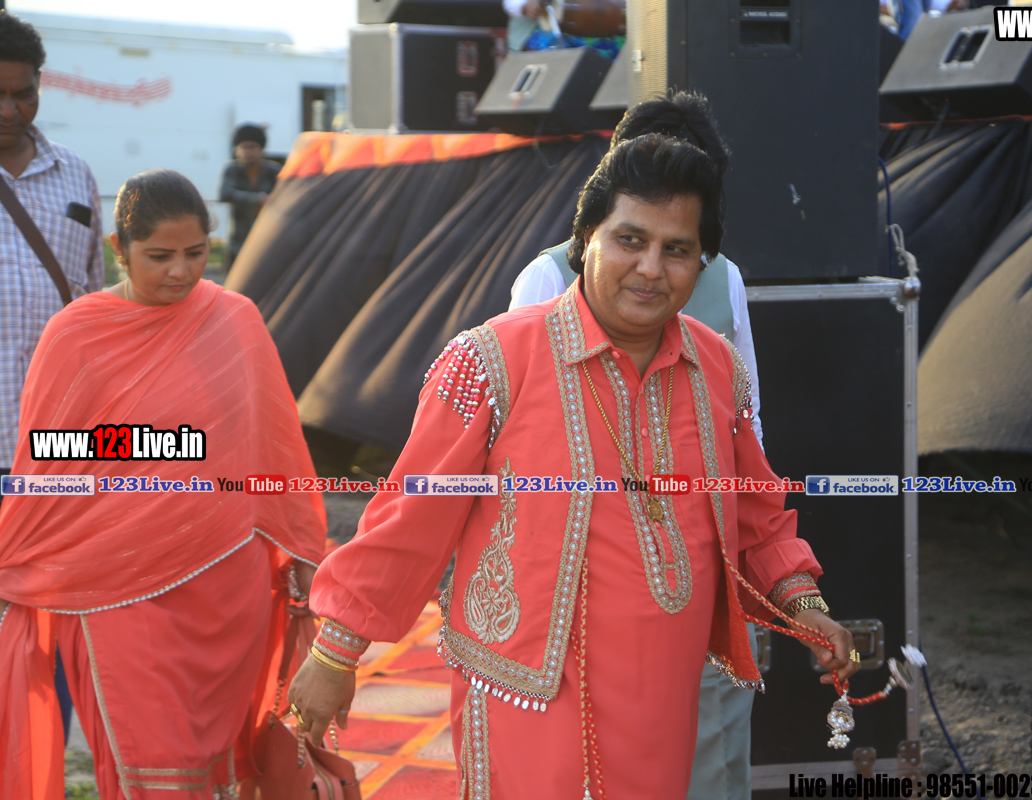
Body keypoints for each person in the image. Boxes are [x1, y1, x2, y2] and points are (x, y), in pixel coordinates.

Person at [289, 132, 858, 799]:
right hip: (528, 693)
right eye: (630, 240)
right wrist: (335, 653)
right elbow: (410, 519)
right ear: (585, 239)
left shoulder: (716, 369)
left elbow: (754, 512)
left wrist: (802, 603)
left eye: (677, 250)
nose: (651, 269)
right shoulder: (491, 361)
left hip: (660, 699)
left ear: (702, 262)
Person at [0, 169, 326, 800]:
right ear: (118, 249)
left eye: (196, 253)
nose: (181, 271)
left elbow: (276, 448)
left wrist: (306, 551)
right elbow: (49, 455)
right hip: (115, 580)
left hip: (226, 580)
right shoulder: (78, 333)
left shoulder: (235, 319)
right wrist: (171, 450)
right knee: (152, 758)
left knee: (213, 762)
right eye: (159, 256)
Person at [508, 90, 765, 800]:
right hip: (581, 583)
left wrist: (764, 570)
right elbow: (516, 444)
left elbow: (747, 430)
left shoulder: (725, 277)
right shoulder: (546, 278)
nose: (655, 264)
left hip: (696, 574)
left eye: (681, 238)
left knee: (708, 758)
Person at [0, 8, 105, 752]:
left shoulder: (77, 175)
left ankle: (37, 767)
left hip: (59, 457)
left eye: (24, 94)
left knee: (57, 623)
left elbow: (101, 310)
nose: (10, 111)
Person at [218, 123, 280, 274]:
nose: (248, 152)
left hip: (267, 240)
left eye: (253, 147)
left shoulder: (273, 170)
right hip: (238, 242)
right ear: (236, 150)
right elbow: (225, 194)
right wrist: (258, 199)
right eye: (244, 147)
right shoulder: (231, 169)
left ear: (262, 150)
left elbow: (286, 195)